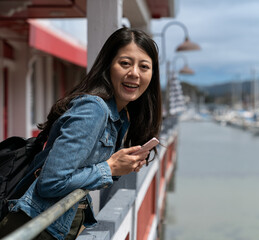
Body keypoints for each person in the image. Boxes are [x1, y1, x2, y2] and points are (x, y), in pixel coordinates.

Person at [0, 27, 162, 240]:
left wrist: (119, 167)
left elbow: (80, 171)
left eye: (144, 66)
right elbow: (51, 182)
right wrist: (110, 167)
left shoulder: (119, 117)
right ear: (108, 66)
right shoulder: (93, 109)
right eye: (125, 63)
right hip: (33, 227)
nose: (134, 73)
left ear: (152, 74)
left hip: (51, 227)